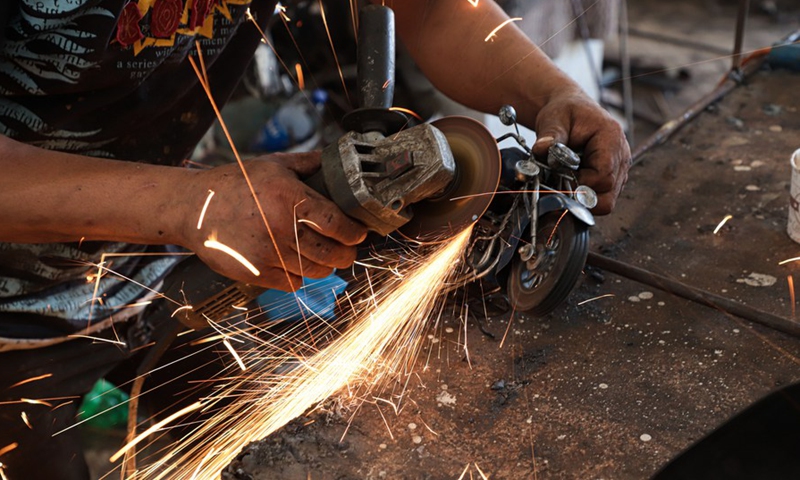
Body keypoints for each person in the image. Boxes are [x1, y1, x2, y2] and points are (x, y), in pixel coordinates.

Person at [0, 0, 630, 478]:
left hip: (145, 264)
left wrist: (556, 92)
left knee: (271, 436)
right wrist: (184, 202)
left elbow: (430, 9)